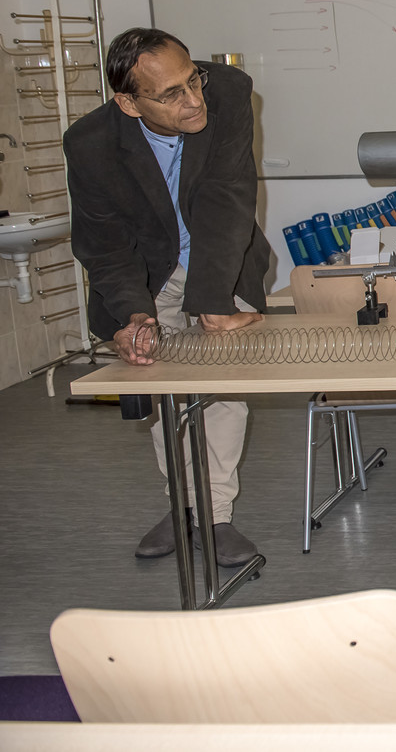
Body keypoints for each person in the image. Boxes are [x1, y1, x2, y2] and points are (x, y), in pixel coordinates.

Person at [66, 28, 271, 567]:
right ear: (129, 103)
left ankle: (215, 515)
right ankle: (182, 505)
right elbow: (104, 244)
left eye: (192, 80)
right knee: (162, 390)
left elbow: (228, 198)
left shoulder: (227, 91)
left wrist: (213, 301)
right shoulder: (90, 143)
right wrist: (135, 315)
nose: (193, 100)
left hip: (219, 259)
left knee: (221, 387)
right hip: (147, 272)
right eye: (171, 94)